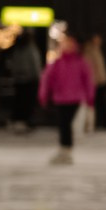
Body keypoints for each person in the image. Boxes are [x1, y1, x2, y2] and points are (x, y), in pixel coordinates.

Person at [38, 32, 94, 165]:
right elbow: (47, 80)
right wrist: (44, 95)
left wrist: (90, 98)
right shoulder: (57, 63)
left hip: (74, 99)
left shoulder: (80, 62)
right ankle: (65, 149)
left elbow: (88, 81)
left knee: (66, 124)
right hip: (60, 98)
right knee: (64, 124)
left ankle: (66, 149)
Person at [6, 28, 42, 131]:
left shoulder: (18, 49)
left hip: (20, 79)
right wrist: (37, 77)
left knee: (20, 101)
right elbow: (35, 64)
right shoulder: (31, 48)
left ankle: (20, 121)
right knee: (26, 102)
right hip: (29, 79)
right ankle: (24, 121)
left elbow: (13, 64)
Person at [83, 33, 106, 138]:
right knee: (97, 106)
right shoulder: (90, 50)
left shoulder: (100, 50)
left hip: (101, 82)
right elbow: (89, 68)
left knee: (102, 106)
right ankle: (92, 126)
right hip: (94, 83)